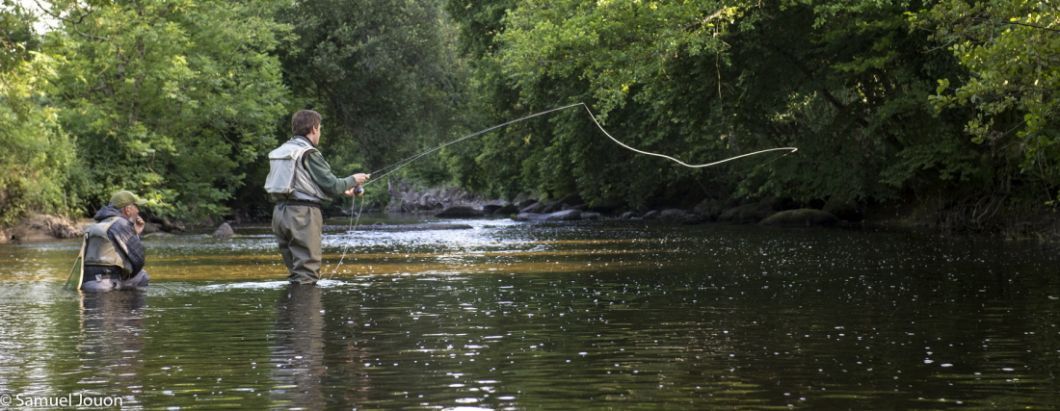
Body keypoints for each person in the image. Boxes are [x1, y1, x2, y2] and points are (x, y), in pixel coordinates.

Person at [265, 109, 369, 284]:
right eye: (319, 128)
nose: (319, 132)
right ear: (314, 128)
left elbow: (297, 181)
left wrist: (345, 190)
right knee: (307, 273)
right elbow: (332, 185)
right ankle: (306, 311)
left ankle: (292, 310)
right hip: (302, 215)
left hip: (280, 214)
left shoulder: (282, 150)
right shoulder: (308, 152)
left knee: (295, 272)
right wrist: (354, 179)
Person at [81, 190, 150, 291]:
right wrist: (133, 234)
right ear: (128, 210)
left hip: (88, 284)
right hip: (108, 285)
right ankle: (131, 305)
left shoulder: (97, 225)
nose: (138, 211)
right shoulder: (122, 224)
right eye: (136, 207)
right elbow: (138, 260)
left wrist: (135, 233)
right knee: (142, 276)